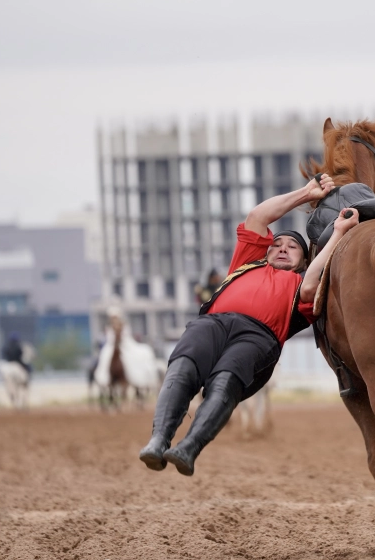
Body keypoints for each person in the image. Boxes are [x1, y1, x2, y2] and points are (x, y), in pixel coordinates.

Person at [139, 172, 359, 476]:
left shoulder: (301, 282)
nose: (281, 247)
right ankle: (157, 441)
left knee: (224, 381)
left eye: (291, 247)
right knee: (182, 368)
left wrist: (337, 234)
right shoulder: (247, 262)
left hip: (258, 336)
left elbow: (311, 286)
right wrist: (307, 193)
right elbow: (257, 216)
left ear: (304, 260)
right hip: (211, 325)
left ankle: (188, 447)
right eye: (276, 244)